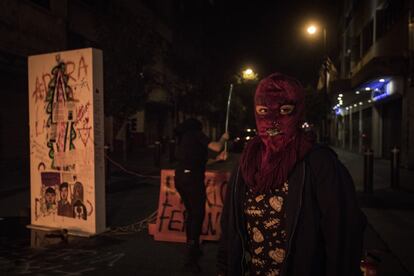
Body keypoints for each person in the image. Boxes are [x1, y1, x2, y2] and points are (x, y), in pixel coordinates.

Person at [217, 73, 366, 276]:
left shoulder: (319, 163)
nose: (272, 121)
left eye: (284, 110)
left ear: (298, 111)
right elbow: (230, 229)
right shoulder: (247, 162)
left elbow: (343, 235)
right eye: (263, 111)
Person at [174, 118, 229, 273]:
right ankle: (191, 258)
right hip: (192, 180)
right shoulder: (197, 134)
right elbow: (217, 147)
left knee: (192, 214)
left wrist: (217, 160)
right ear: (197, 127)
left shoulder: (184, 138)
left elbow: (200, 161)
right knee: (197, 215)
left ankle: (193, 246)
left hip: (180, 178)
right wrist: (223, 138)